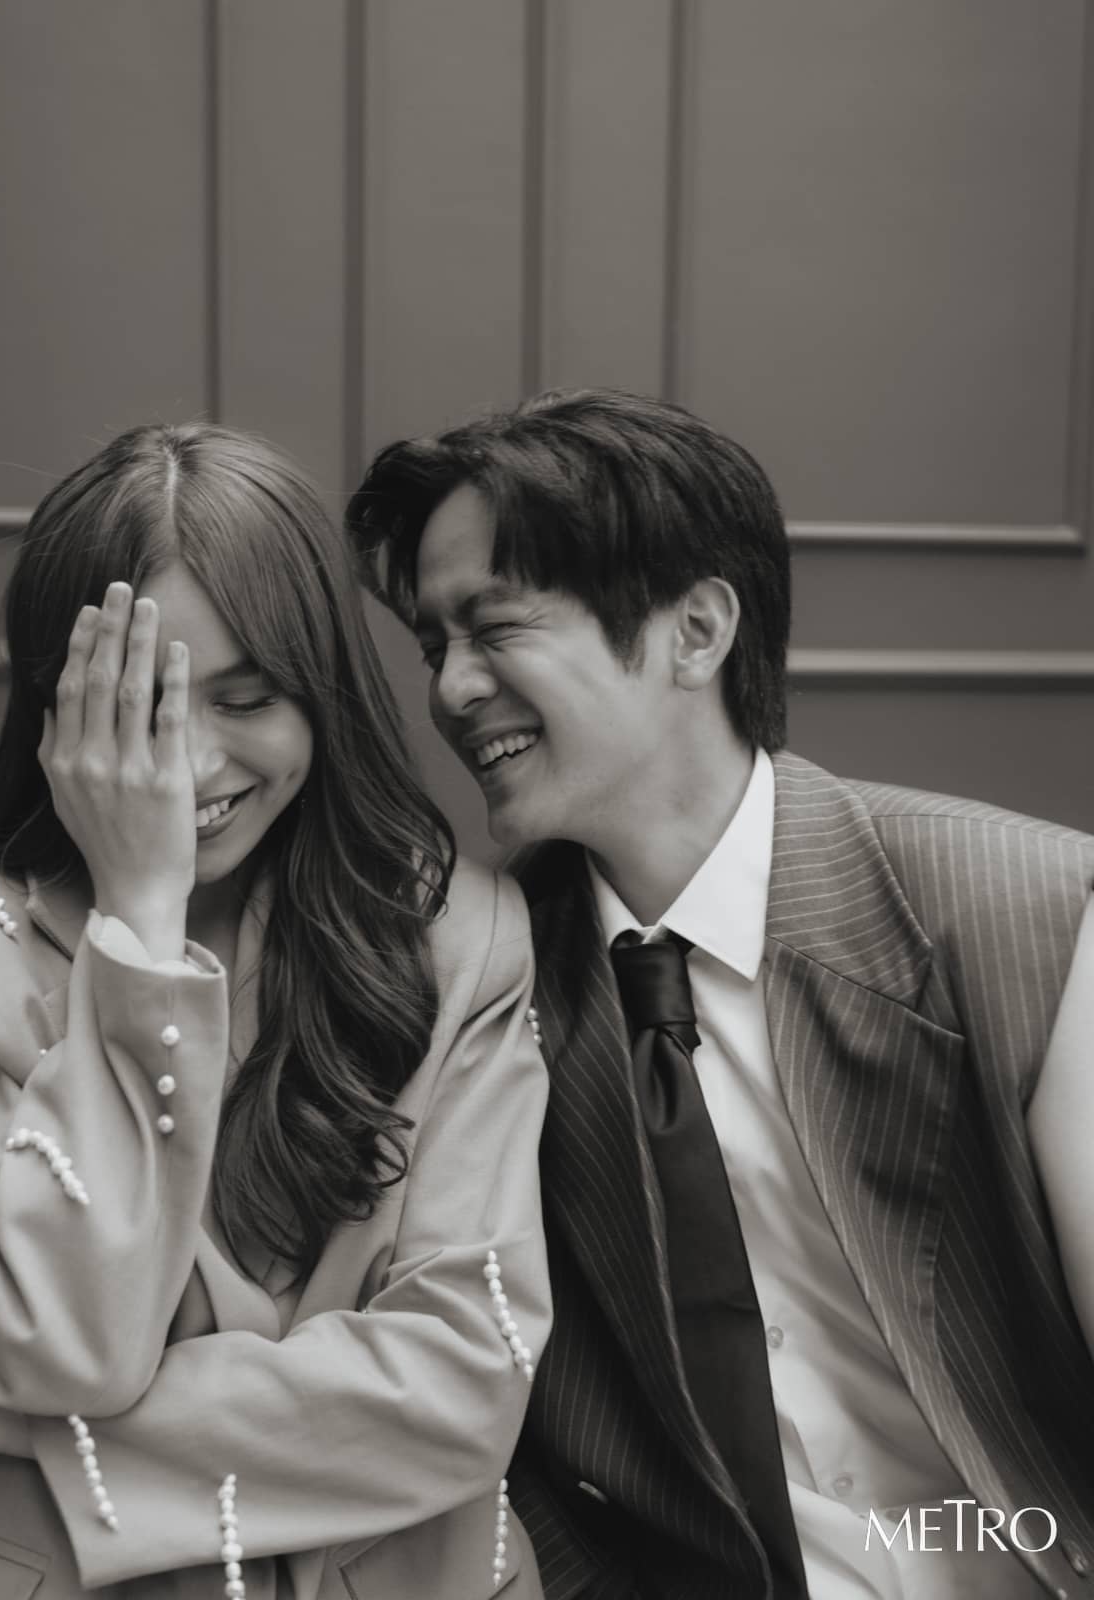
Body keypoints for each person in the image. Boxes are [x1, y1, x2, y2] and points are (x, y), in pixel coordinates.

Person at [345, 388, 1094, 1600]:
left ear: (696, 630)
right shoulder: (477, 987)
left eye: (496, 626)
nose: (451, 689)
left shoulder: (1029, 915)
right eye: (436, 645)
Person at [0, 423, 551, 1599]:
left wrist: (28, 1431)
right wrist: (140, 923)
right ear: (56, 704)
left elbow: (464, 1380)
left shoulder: (462, 940)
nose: (193, 766)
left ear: (325, 695)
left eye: (248, 699)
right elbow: (55, 1339)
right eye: (142, 706)